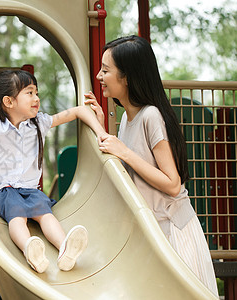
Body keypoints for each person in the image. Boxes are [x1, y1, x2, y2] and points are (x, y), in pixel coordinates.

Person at [86, 35, 218, 296]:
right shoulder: (126, 119)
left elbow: (172, 183)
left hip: (174, 231)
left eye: (106, 70)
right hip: (153, 232)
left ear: (127, 77)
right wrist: (100, 124)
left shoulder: (151, 116)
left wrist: (124, 151)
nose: (99, 76)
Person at [0, 70, 107, 273]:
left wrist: (101, 133)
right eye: (29, 93)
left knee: (44, 211)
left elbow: (79, 112)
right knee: (16, 211)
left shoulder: (40, 123)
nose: (36, 98)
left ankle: (65, 247)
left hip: (29, 190)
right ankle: (29, 248)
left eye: (36, 93)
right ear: (9, 102)